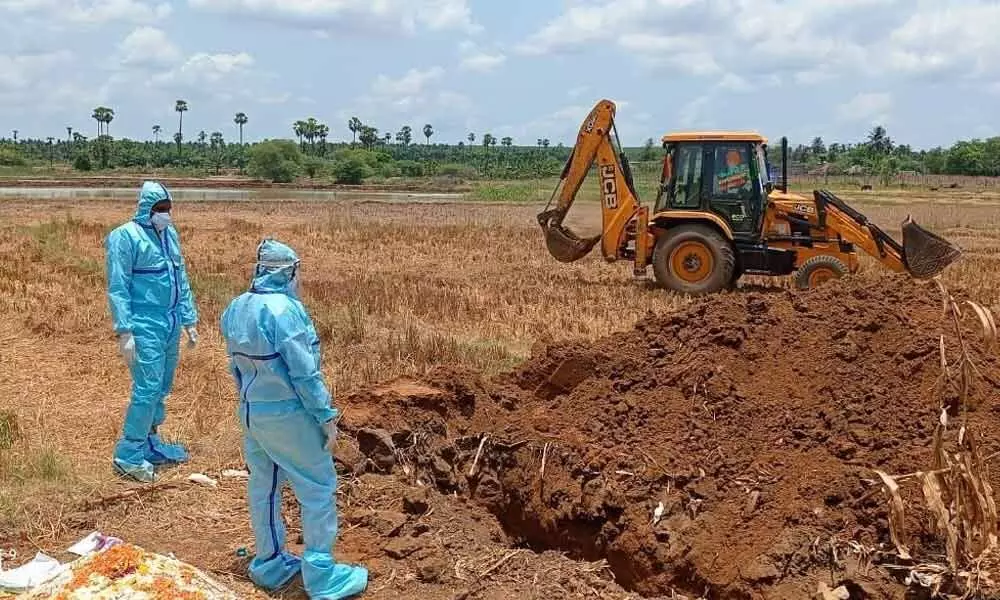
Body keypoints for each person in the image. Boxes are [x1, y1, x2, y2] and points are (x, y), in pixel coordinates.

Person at [219, 238, 368, 600]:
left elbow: (234, 364)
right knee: (317, 488)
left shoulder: (237, 306)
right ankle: (321, 576)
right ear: (289, 271)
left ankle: (269, 564)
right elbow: (304, 372)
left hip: (253, 411)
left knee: (265, 485)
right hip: (289, 413)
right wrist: (325, 416)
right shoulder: (285, 311)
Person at [105, 180, 199, 483]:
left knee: (161, 387)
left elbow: (180, 278)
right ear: (146, 209)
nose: (165, 214)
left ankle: (150, 442)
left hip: (169, 322)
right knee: (147, 388)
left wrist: (189, 319)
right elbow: (118, 286)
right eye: (160, 209)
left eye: (168, 208)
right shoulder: (125, 237)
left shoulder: (169, 234)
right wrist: (125, 331)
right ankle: (128, 454)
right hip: (145, 324)